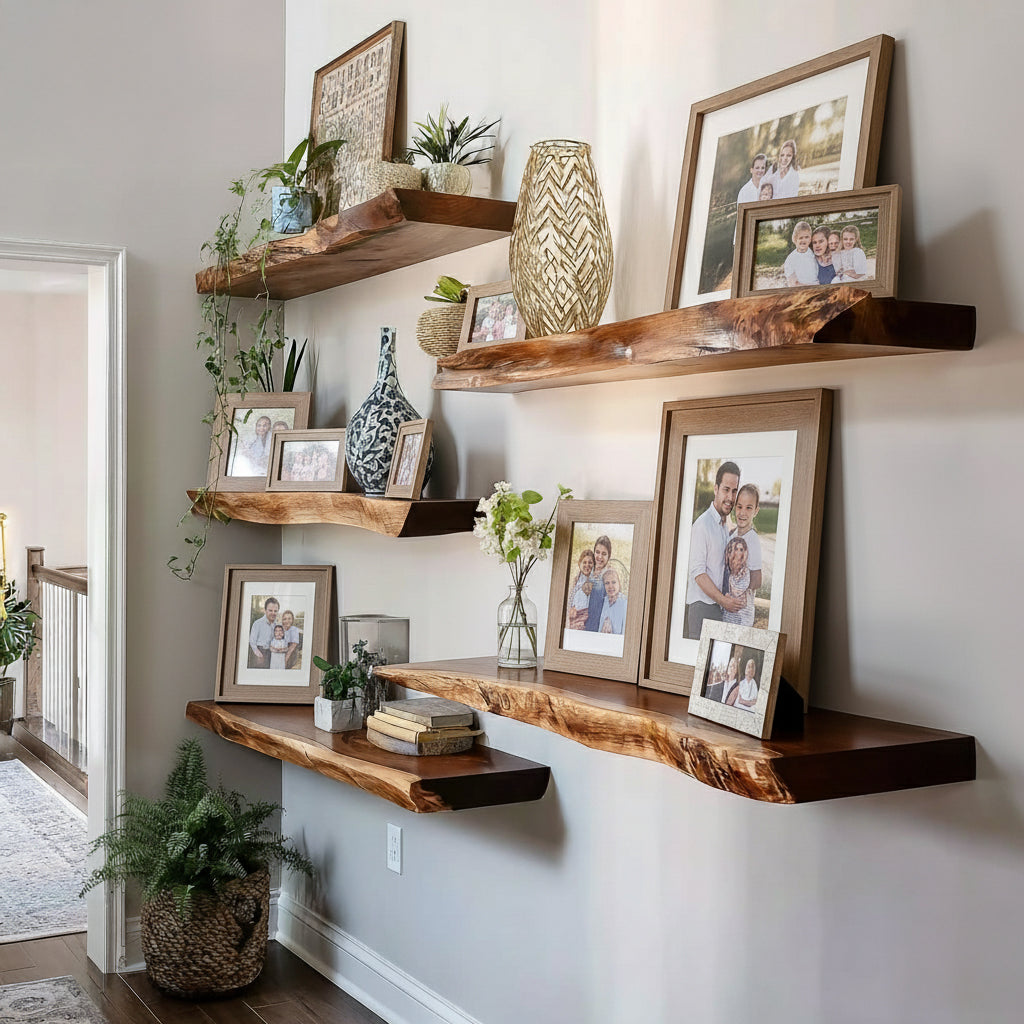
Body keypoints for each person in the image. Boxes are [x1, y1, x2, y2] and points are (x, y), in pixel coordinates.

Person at [685, 462, 745, 639]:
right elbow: (698, 573)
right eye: (726, 489)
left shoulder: (725, 524)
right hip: (702, 608)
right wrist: (724, 601)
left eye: (734, 491)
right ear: (716, 488)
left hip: (719, 610)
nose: (730, 497)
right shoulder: (702, 526)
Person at [731, 483, 764, 608]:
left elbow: (757, 581)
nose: (742, 512)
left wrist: (738, 587)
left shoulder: (752, 539)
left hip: (742, 610)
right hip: (728, 607)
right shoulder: (732, 535)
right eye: (739, 506)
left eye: (749, 508)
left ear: (756, 511)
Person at [721, 536, 754, 627]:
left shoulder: (745, 571)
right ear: (730, 551)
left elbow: (737, 591)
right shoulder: (726, 569)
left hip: (743, 617)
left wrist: (726, 594)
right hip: (729, 616)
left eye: (741, 549)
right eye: (736, 549)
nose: (739, 552)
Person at [584, 535, 614, 632]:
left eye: (604, 554)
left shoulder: (609, 574)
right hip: (581, 619)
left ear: (608, 556)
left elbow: (613, 600)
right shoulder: (588, 568)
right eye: (597, 552)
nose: (600, 557)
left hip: (596, 622)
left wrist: (608, 619)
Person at [248, 597, 280, 668]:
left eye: (275, 611)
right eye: (270, 610)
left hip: (272, 654)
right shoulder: (258, 623)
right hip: (260, 653)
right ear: (265, 610)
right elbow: (252, 641)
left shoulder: (277, 625)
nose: (273, 613)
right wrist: (258, 654)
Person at [784, 221, 818, 287]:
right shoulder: (791, 259)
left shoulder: (813, 253)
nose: (804, 240)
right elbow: (793, 283)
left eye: (806, 237)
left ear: (810, 238)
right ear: (795, 239)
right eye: (801, 238)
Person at [568, 549, 596, 627]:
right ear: (580, 563)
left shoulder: (596, 582)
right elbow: (570, 601)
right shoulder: (575, 581)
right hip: (574, 620)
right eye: (584, 562)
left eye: (590, 562)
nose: (587, 565)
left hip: (588, 621)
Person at [598, 568, 627, 635]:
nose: (610, 586)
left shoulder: (625, 603)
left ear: (619, 583)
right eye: (607, 583)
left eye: (613, 582)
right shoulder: (603, 602)